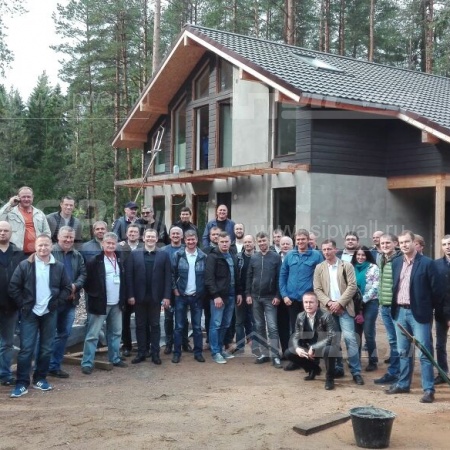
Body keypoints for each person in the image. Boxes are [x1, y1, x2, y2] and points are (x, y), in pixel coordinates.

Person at [8, 235, 71, 397]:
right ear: (35, 247)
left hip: (49, 313)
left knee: (46, 348)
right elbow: (14, 287)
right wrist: (24, 304)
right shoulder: (25, 265)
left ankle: (40, 379)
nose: (43, 248)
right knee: (26, 349)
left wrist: (56, 303)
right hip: (30, 313)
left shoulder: (58, 267)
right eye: (40, 245)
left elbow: (67, 288)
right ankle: (22, 383)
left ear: (51, 247)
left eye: (46, 245)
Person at [387, 230, 444, 403]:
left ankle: (428, 390)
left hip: (418, 314)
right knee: (404, 351)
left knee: (424, 353)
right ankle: (404, 384)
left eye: (407, 242)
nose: (404, 245)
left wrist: (430, 311)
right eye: (401, 242)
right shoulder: (396, 262)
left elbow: (437, 292)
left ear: (414, 242)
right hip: (399, 313)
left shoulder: (427, 263)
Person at [313, 239, 364, 385]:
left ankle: (356, 372)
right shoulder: (319, 268)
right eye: (324, 249)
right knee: (333, 340)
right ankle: (338, 368)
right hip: (328, 309)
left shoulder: (346, 266)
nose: (326, 252)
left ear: (335, 250)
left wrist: (339, 303)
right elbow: (317, 289)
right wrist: (330, 303)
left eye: (329, 249)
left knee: (350, 339)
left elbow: (352, 286)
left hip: (345, 308)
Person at [80, 232, 128, 374]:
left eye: (113, 243)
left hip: (117, 303)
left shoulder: (119, 259)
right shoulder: (94, 261)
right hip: (100, 303)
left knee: (116, 332)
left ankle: (115, 358)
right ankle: (87, 362)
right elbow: (86, 282)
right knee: (93, 334)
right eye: (108, 243)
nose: (111, 245)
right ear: (102, 244)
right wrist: (95, 295)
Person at [125, 228, 172, 365]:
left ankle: (155, 354)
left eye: (153, 237)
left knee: (155, 325)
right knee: (140, 325)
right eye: (148, 236)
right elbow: (129, 276)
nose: (150, 239)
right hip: (139, 297)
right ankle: (141, 353)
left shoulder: (163, 255)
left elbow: (168, 277)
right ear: (143, 238)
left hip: (156, 298)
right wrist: (130, 295)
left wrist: (167, 296)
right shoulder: (134, 254)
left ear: (156, 239)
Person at [48, 226, 86, 378]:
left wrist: (75, 286)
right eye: (66, 237)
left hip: (71, 302)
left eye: (71, 237)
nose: (68, 240)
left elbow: (83, 274)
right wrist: (65, 291)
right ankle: (42, 366)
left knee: (64, 334)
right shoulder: (50, 252)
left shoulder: (77, 255)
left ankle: (54, 366)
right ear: (58, 237)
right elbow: (47, 276)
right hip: (54, 302)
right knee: (48, 335)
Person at [284, 292, 338, 390]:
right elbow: (296, 336)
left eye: (311, 302)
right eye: (306, 302)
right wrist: (297, 348)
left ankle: (330, 378)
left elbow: (332, 336)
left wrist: (314, 347)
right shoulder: (300, 316)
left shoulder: (326, 316)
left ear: (317, 303)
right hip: (308, 347)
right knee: (288, 353)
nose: (308, 305)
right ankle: (313, 369)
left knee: (329, 350)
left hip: (323, 347)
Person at [246, 231, 282, 368]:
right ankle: (264, 353)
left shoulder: (276, 257)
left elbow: (279, 278)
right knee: (259, 326)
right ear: (256, 243)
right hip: (255, 297)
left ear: (268, 241)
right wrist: (248, 294)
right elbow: (249, 276)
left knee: (272, 327)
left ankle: (275, 355)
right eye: (259, 241)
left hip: (270, 298)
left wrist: (278, 295)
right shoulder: (254, 257)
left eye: (264, 240)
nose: (262, 243)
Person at [205, 232, 242, 364]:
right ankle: (215, 352)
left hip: (231, 295)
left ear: (230, 242)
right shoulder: (212, 257)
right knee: (216, 324)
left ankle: (220, 349)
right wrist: (215, 296)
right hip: (218, 297)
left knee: (226, 324)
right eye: (222, 242)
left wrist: (239, 292)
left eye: (227, 241)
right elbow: (209, 279)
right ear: (218, 242)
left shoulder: (232, 255)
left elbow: (236, 276)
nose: (224, 244)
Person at [172, 230, 207, 363]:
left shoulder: (203, 256)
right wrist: (175, 289)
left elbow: (206, 276)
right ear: (184, 240)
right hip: (181, 295)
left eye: (193, 239)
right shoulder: (178, 255)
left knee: (197, 327)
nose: (191, 242)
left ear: (197, 240)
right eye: (188, 240)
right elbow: (172, 274)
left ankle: (198, 353)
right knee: (179, 326)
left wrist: (202, 292)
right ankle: (177, 353)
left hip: (197, 296)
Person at [279, 228, 323, 335]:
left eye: (303, 239)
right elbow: (282, 276)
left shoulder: (316, 255)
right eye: (298, 239)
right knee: (295, 330)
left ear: (308, 240)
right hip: (292, 300)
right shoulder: (289, 255)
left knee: (310, 330)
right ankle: (297, 347)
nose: (300, 241)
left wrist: (318, 297)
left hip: (309, 300)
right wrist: (284, 295)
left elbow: (322, 277)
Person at [374, 233, 402, 385]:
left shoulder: (400, 260)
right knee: (392, 340)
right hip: (383, 306)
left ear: (395, 243)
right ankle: (395, 371)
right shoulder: (381, 258)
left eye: (387, 243)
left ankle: (397, 373)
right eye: (382, 243)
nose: (384, 246)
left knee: (399, 341)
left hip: (396, 307)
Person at [0, 221, 25, 386]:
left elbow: (24, 279)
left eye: (5, 230)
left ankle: (4, 374)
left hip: (11, 306)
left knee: (7, 343)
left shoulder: (18, 254)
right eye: (0, 230)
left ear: (11, 233)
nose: (2, 233)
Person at [162, 226, 191, 354]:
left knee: (183, 318)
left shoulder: (187, 249)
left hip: (183, 290)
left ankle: (185, 342)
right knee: (168, 318)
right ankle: (169, 344)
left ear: (182, 236)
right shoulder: (163, 251)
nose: (175, 235)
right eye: (173, 233)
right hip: (167, 290)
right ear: (169, 236)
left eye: (177, 234)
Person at [350, 246, 380, 372]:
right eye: (358, 255)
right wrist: (355, 302)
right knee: (356, 334)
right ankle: (355, 360)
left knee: (368, 333)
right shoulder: (350, 267)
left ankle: (373, 361)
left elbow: (376, 286)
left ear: (367, 256)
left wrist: (363, 299)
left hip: (370, 303)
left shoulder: (374, 268)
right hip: (354, 304)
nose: (360, 257)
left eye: (363, 255)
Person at [118, 224, 143, 357]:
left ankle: (143, 345)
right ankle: (126, 346)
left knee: (142, 319)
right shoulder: (120, 247)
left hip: (141, 289)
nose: (132, 234)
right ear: (126, 234)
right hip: (125, 288)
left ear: (139, 235)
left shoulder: (144, 247)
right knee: (124, 319)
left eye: (135, 232)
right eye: (130, 232)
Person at [0, 186, 51, 254]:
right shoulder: (10, 212)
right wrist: (9, 204)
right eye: (23, 197)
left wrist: (44, 247)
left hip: (36, 253)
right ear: (18, 197)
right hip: (16, 252)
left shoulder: (39, 213)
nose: (26, 199)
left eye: (28, 197)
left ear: (32, 197)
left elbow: (46, 232)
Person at [234, 234, 257, 355]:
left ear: (254, 243)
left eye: (249, 242)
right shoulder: (238, 257)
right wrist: (238, 292)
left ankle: (255, 346)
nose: (247, 244)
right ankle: (240, 346)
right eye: (245, 242)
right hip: (241, 294)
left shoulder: (259, 257)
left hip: (255, 294)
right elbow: (235, 276)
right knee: (239, 321)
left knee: (255, 320)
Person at [434, 235, 450, 385]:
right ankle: (443, 373)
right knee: (440, 344)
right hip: (441, 312)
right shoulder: (436, 265)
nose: (447, 247)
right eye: (444, 244)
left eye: (449, 243)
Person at [278, 235, 293, 356]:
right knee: (282, 326)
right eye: (283, 244)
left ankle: (295, 353)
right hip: (279, 298)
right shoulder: (276, 258)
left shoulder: (295, 257)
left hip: (293, 298)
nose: (285, 246)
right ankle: (285, 351)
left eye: (288, 244)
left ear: (292, 246)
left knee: (294, 326)